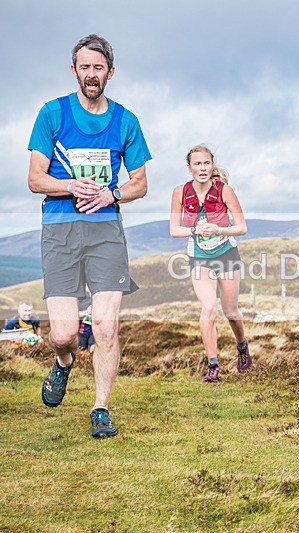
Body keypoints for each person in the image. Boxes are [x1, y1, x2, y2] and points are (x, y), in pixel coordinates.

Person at [27, 34, 151, 438]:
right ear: (74, 70)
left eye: (99, 67)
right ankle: (64, 363)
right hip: (60, 230)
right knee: (63, 334)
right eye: (85, 67)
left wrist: (110, 193)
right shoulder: (52, 114)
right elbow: (34, 179)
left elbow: (139, 184)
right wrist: (72, 186)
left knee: (106, 326)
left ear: (110, 72)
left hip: (105, 232)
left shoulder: (125, 121)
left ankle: (100, 408)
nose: (92, 74)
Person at [170, 148, 251, 383]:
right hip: (199, 255)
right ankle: (213, 366)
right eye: (197, 164)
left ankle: (242, 346)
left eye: (206, 163)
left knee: (231, 311)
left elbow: (242, 227)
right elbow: (174, 229)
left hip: (226, 252)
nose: (202, 168)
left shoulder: (224, 190)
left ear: (211, 165)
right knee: (208, 308)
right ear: (189, 168)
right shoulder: (179, 192)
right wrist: (195, 230)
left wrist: (219, 229)